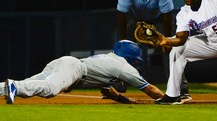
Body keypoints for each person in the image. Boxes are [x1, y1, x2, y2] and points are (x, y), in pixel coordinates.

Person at [1, 40, 164, 104]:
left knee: (31, 83)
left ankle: (6, 87)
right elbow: (149, 89)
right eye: (135, 60)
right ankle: (14, 87)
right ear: (130, 57)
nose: (135, 63)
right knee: (50, 89)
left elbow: (107, 90)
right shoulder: (123, 66)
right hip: (74, 69)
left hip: (66, 64)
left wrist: (125, 100)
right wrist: (167, 99)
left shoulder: (108, 58)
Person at [116, 0, 190, 98]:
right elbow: (122, 16)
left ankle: (181, 88)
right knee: (121, 49)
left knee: (171, 50)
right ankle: (119, 84)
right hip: (137, 20)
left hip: (159, 20)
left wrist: (167, 40)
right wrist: (123, 42)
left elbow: (167, 17)